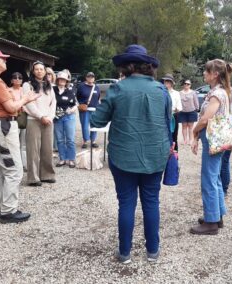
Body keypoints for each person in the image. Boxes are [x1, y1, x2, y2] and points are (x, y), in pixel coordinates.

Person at [91, 44, 171, 263]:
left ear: (127, 66)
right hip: (156, 155)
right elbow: (167, 123)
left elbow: (96, 120)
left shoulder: (118, 89)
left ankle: (124, 253)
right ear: (148, 66)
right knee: (152, 201)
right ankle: (152, 252)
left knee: (126, 203)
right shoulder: (161, 89)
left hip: (123, 155)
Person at [0, 49, 39, 223]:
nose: (5, 61)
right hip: (4, 126)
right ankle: (8, 211)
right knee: (13, 170)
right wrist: (26, 99)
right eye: (2, 59)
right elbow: (12, 108)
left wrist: (17, 102)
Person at [190, 59, 232, 235]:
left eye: (206, 71)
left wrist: (194, 131)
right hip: (219, 140)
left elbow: (206, 118)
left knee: (208, 178)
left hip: (213, 140)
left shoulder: (217, 94)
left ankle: (211, 222)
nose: (204, 74)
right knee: (215, 178)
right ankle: (217, 216)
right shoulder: (222, 92)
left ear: (215, 74)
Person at [23, 61, 57, 186]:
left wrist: (50, 117)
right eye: (36, 69)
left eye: (41, 69)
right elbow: (28, 103)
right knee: (33, 150)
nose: (39, 71)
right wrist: (40, 116)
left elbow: (53, 102)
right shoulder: (28, 85)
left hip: (48, 120)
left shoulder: (49, 85)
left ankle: (47, 175)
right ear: (33, 71)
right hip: (34, 120)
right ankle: (33, 178)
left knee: (47, 149)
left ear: (45, 71)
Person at [53, 71, 77, 168]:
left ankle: (71, 159)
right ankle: (62, 159)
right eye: (60, 79)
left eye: (64, 79)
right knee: (59, 139)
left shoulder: (70, 91)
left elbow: (75, 104)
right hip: (57, 117)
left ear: (66, 81)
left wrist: (72, 110)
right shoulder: (52, 90)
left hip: (69, 117)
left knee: (70, 139)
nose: (62, 81)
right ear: (57, 80)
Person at [76, 72, 100, 148]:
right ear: (86, 78)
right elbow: (77, 96)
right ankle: (85, 141)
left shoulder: (96, 87)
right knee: (85, 126)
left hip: (95, 110)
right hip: (84, 110)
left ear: (94, 78)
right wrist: (80, 104)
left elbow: (98, 97)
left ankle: (93, 140)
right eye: (89, 77)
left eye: (92, 77)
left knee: (94, 125)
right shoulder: (81, 86)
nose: (91, 78)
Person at [9, 72, 27, 169]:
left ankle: (24, 164)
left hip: (23, 117)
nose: (17, 79)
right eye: (15, 78)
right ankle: (15, 164)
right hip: (12, 118)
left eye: (19, 78)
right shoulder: (8, 91)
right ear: (11, 80)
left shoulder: (24, 91)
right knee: (14, 143)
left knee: (23, 143)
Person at [162, 74, 182, 151]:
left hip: (173, 116)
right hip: (163, 116)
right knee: (164, 136)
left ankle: (174, 156)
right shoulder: (160, 92)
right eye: (165, 81)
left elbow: (180, 107)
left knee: (173, 136)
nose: (166, 83)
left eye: (168, 81)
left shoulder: (176, 93)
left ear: (171, 83)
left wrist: (175, 109)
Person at [179, 79, 199, 145]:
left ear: (190, 85)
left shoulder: (193, 92)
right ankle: (185, 140)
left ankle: (191, 140)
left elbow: (196, 101)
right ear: (183, 85)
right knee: (184, 126)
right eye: (185, 83)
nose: (186, 85)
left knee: (190, 127)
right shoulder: (180, 93)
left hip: (191, 111)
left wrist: (197, 108)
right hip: (182, 112)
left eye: (188, 84)